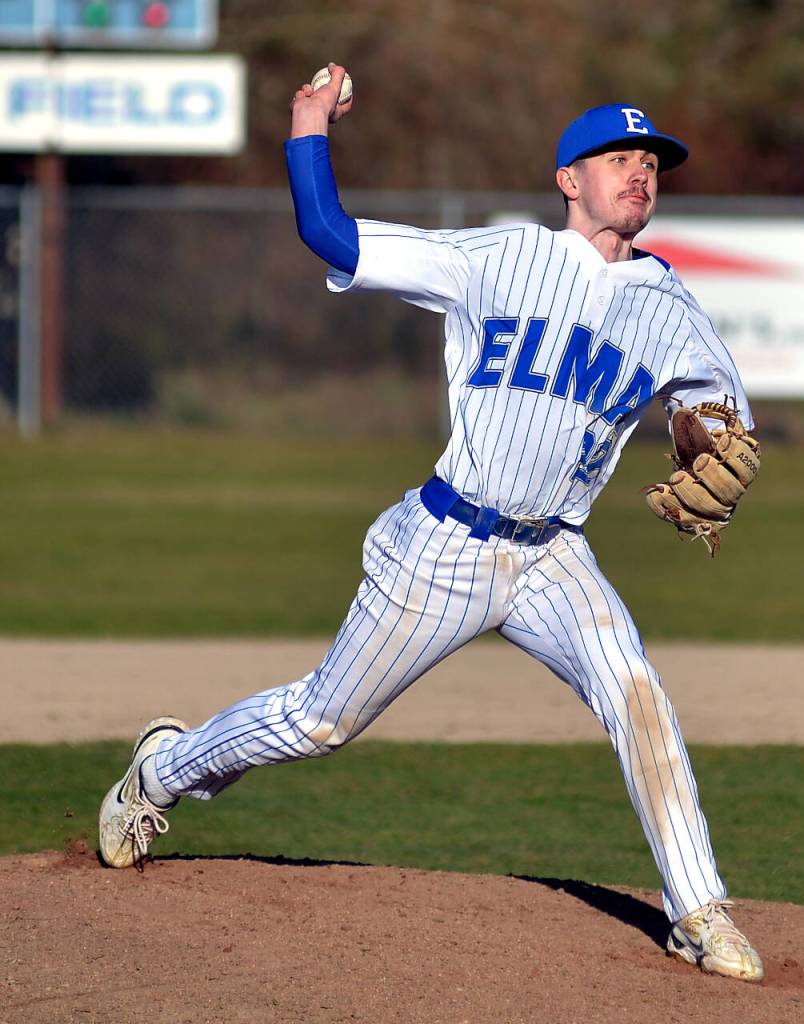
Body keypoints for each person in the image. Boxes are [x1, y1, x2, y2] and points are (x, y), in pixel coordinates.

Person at [98, 64, 765, 983]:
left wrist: (714, 447)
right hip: (446, 544)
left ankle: (699, 911)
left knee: (637, 693)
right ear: (569, 180)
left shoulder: (673, 310)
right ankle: (164, 771)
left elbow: (725, 423)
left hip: (555, 555)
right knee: (321, 720)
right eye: (619, 158)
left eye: (651, 162)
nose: (640, 172)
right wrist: (308, 124)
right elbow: (328, 233)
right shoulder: (495, 258)